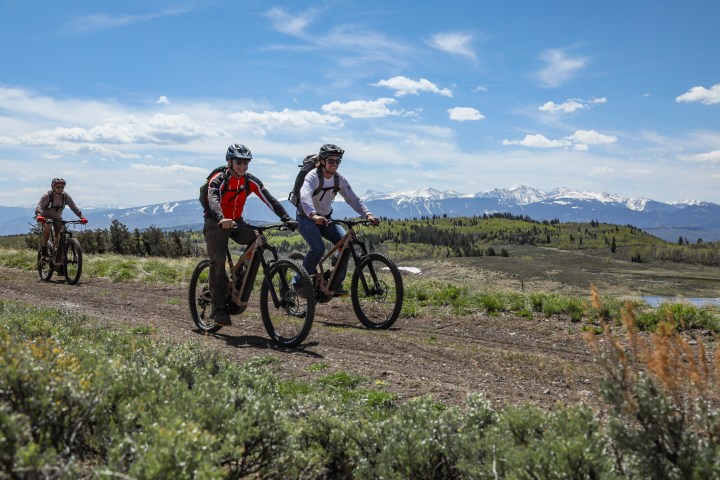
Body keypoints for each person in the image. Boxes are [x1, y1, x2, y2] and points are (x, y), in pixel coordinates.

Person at [203, 143, 296, 326]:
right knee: (219, 261)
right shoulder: (218, 179)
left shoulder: (249, 181)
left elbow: (268, 199)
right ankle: (218, 309)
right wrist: (221, 218)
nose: (243, 167)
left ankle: (239, 274)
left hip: (236, 221)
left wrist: (286, 218)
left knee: (258, 240)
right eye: (239, 162)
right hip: (216, 222)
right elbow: (213, 199)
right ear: (229, 161)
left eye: (246, 163)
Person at [295, 144, 378, 296]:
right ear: (322, 161)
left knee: (347, 244)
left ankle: (335, 284)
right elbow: (305, 196)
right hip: (306, 217)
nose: (334, 164)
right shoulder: (313, 176)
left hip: (326, 218)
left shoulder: (339, 179)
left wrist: (368, 214)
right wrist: (313, 215)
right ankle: (298, 281)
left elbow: (353, 200)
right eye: (331, 161)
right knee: (318, 248)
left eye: (338, 161)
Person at [35, 178, 87, 259]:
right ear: (53, 187)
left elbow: (74, 207)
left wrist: (82, 217)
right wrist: (39, 215)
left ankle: (57, 255)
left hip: (57, 217)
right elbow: (40, 206)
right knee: (48, 227)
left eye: (62, 187)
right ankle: (44, 248)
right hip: (45, 217)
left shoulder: (65, 196)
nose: (60, 189)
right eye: (58, 187)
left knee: (61, 234)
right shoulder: (47, 196)